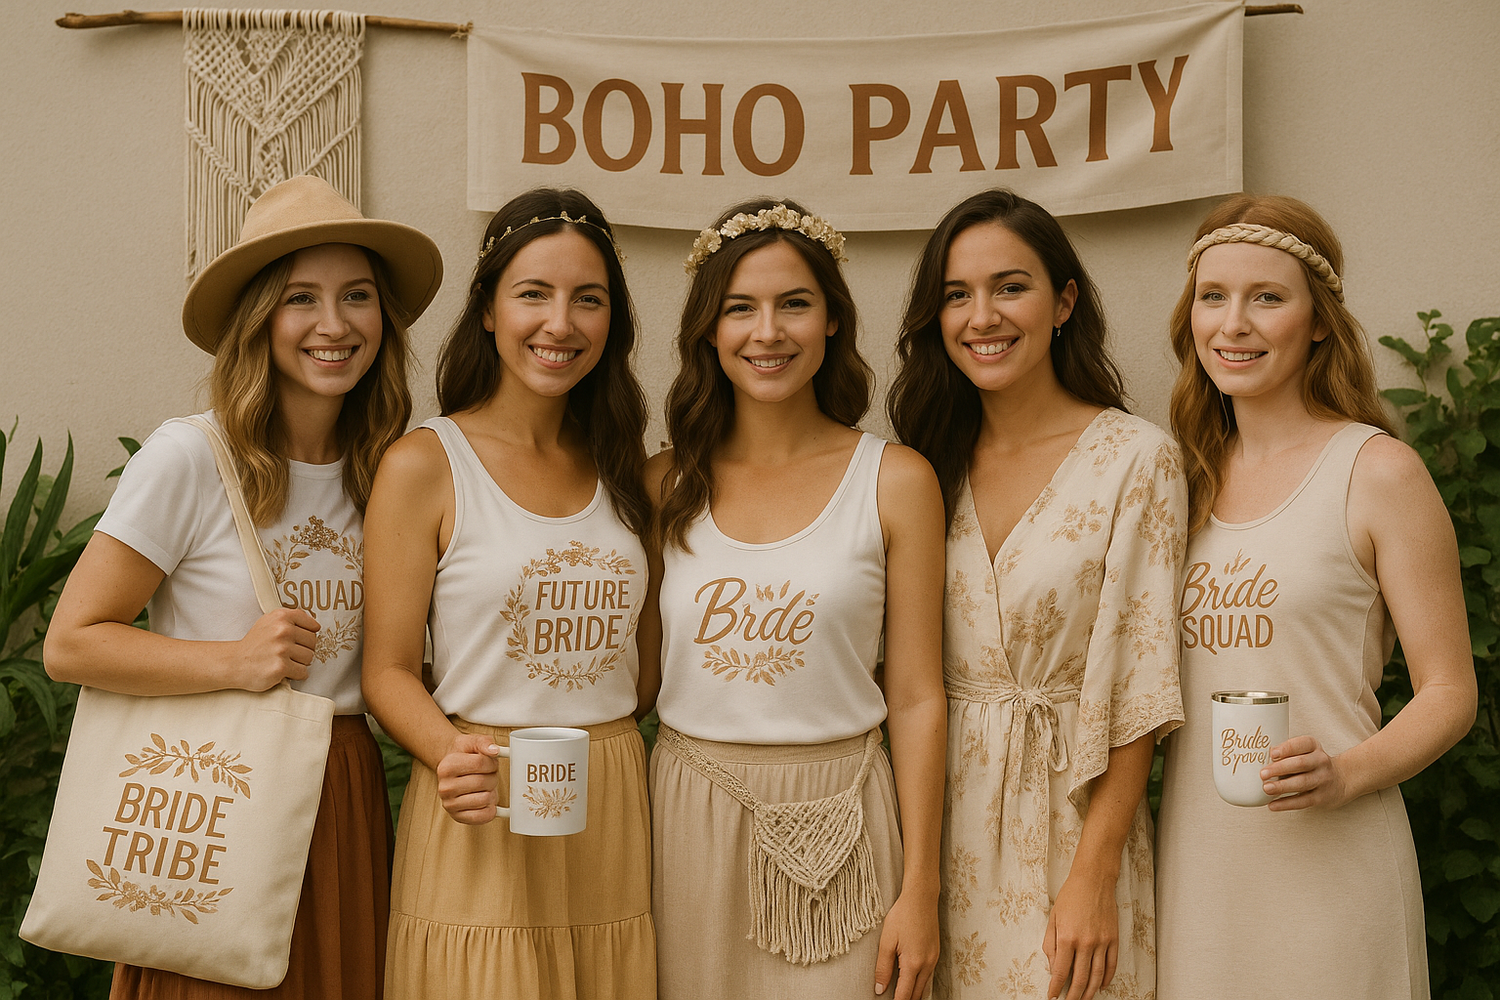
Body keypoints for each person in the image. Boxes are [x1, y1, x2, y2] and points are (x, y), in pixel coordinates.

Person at [44, 174, 442, 998]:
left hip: (342, 793)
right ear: (259, 319)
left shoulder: (392, 471)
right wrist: (233, 662)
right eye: (302, 297)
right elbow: (71, 642)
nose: (333, 325)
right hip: (218, 792)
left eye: (358, 296)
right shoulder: (190, 456)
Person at [1154, 195, 1476, 999]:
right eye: (1213, 297)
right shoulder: (1176, 481)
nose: (1235, 324)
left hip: (1336, 870)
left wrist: (1347, 772)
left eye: (1268, 297)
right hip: (1199, 872)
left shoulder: (1378, 472)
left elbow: (1451, 691)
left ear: (1320, 320)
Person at [639, 198, 946, 1000]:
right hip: (689, 814)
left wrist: (922, 889)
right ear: (708, 329)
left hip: (848, 817)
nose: (766, 332)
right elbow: (628, 676)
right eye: (740, 308)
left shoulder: (897, 480)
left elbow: (915, 699)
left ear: (834, 321)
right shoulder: (663, 483)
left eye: (794, 304)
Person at [887, 189, 1187, 1000]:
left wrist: (1093, 877)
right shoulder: (918, 465)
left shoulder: (1136, 458)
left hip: (1072, 828)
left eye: (1009, 287)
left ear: (1063, 302)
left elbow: (1140, 684)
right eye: (956, 295)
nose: (982, 316)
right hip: (926, 832)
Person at [360, 189, 656, 999]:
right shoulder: (425, 464)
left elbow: (648, 664)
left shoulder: (628, 468)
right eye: (533, 293)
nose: (560, 323)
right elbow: (385, 669)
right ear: (488, 310)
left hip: (608, 805)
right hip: (479, 796)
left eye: (587, 299)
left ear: (612, 322)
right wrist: (447, 752)